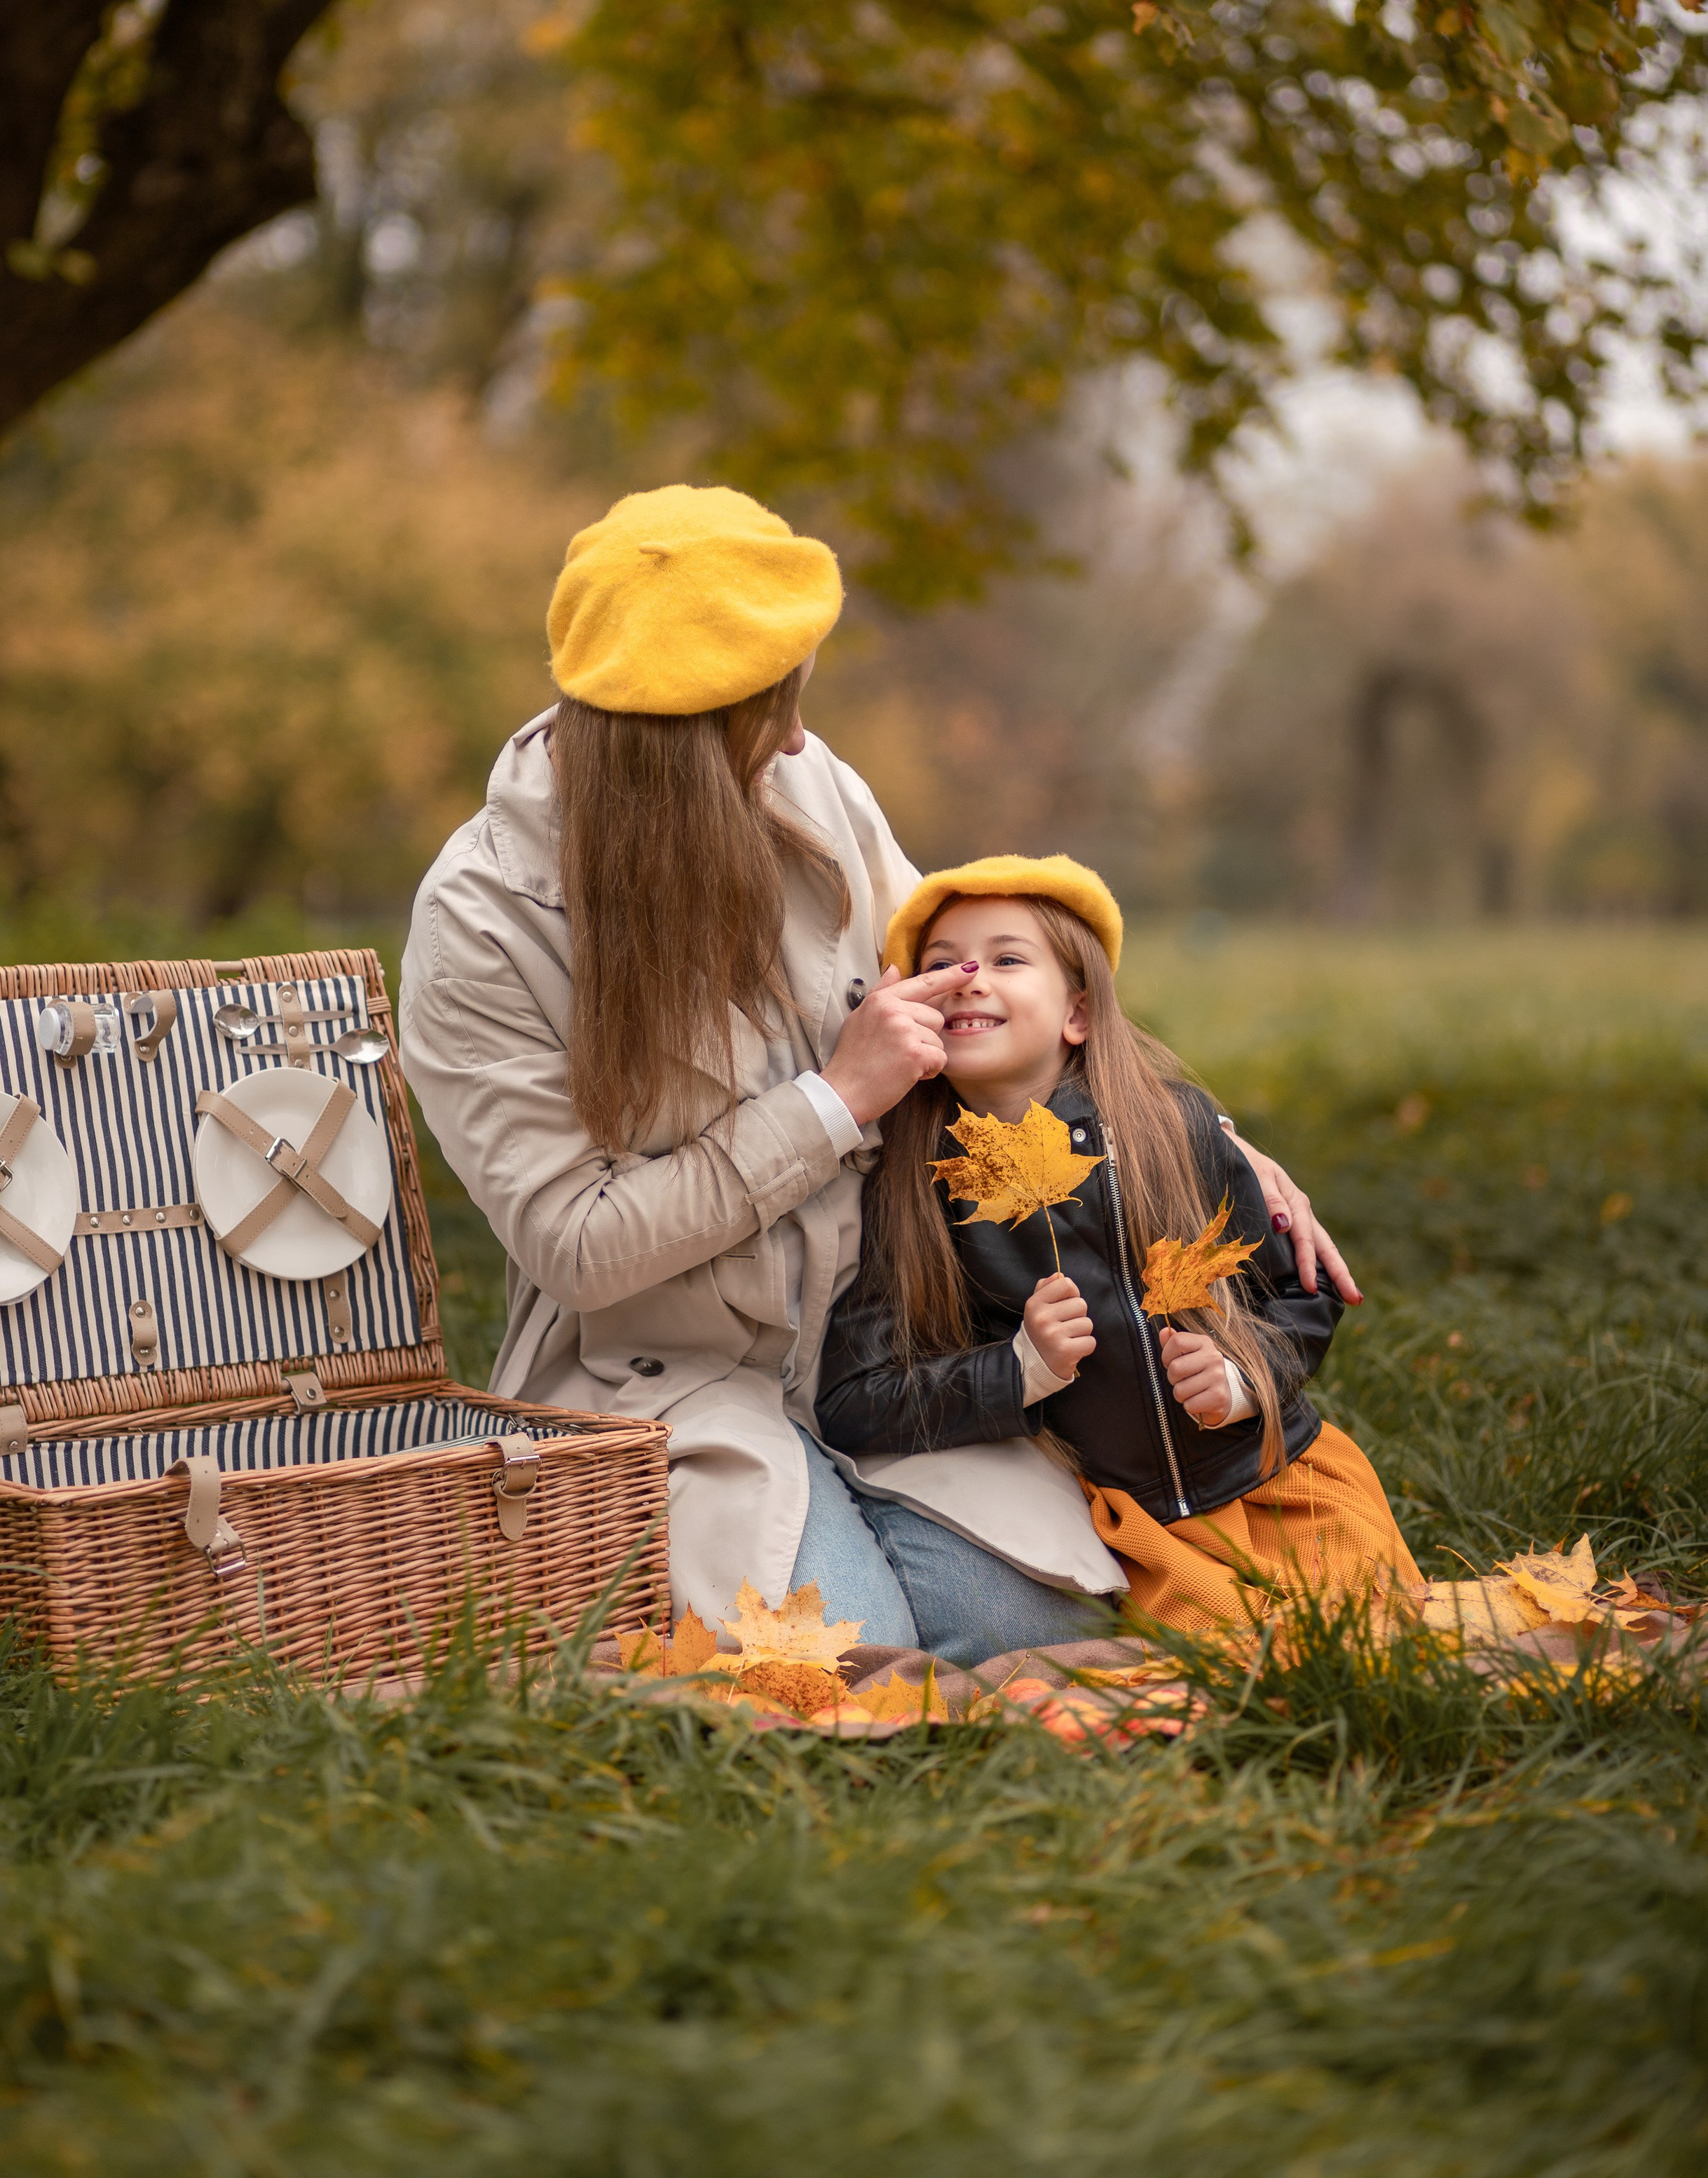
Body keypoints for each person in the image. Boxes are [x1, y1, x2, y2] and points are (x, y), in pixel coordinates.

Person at [401, 485, 1360, 1652]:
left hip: (896, 1347)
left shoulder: (808, 787)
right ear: (675, 751)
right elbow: (580, 1244)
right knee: (847, 1660)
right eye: (769, 715)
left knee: (1042, 1628)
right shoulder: (484, 921)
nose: (800, 740)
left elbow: (988, 1010)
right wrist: (833, 1101)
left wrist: (1210, 1147)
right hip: (669, 1379)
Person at [816, 855, 1423, 1645]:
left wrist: (1243, 1380)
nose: (968, 978)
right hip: (1136, 1532)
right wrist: (1017, 1370)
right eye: (943, 965)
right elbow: (852, 1398)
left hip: (1284, 1481)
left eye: (1005, 958)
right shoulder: (919, 1191)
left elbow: (1298, 1296)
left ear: (1078, 1013)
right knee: (1227, 1676)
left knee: (1390, 1646)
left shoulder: (1175, 1131)